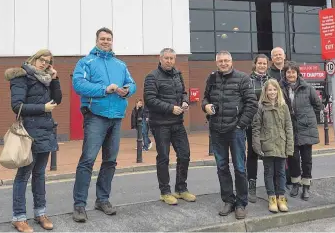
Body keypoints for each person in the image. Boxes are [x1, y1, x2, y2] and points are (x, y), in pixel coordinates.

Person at [72, 27, 136, 222]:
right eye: (103, 39)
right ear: (97, 40)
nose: (106, 41)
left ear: (112, 41)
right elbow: (78, 85)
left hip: (116, 117)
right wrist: (104, 89)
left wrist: (127, 90)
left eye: (109, 39)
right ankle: (79, 205)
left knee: (110, 161)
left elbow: (132, 83)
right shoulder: (86, 62)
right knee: (87, 160)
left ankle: (102, 200)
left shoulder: (120, 64)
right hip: (95, 116)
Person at [5, 49, 62, 233]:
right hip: (28, 134)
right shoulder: (21, 77)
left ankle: (40, 213)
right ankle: (19, 217)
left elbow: (57, 100)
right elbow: (17, 106)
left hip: (45, 131)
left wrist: (55, 79)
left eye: (48, 61)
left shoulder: (46, 78)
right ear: (34, 58)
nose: (44, 63)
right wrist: (42, 107)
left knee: (40, 175)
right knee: (23, 175)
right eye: (41, 59)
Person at [202, 51, 257, 220]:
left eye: (226, 60)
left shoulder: (243, 78)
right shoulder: (211, 79)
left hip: (236, 131)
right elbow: (205, 98)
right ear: (216, 62)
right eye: (220, 61)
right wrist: (206, 106)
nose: (223, 63)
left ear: (231, 61)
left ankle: (241, 203)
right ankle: (228, 200)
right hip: (217, 131)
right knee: (222, 167)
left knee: (240, 168)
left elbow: (252, 104)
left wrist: (241, 125)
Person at [144, 48, 195, 206]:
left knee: (185, 154)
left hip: (177, 123)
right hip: (160, 125)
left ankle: (181, 189)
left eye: (172, 58)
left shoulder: (178, 74)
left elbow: (183, 93)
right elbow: (150, 99)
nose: (169, 61)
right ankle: (165, 192)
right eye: (166, 58)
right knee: (164, 157)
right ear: (160, 59)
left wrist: (185, 101)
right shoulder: (152, 77)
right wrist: (171, 108)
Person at [280, 61, 322, 200]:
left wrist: (308, 118)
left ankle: (306, 186)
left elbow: (318, 105)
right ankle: (296, 184)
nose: (291, 74)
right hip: (290, 128)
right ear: (285, 73)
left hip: (305, 128)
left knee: (306, 159)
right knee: (293, 158)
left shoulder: (307, 87)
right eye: (288, 72)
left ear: (298, 73)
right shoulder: (280, 88)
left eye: (293, 72)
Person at [252, 79, 294, 213]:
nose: (272, 92)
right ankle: (271, 198)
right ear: (265, 91)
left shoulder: (284, 106)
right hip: (267, 145)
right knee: (269, 173)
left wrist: (289, 147)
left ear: (278, 91)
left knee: (281, 173)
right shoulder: (261, 107)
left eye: (274, 89)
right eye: (269, 90)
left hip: (281, 144)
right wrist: (257, 145)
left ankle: (281, 197)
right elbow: (256, 127)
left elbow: (288, 127)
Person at [247, 54, 270, 203]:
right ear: (255, 64)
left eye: (264, 63)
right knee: (253, 153)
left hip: (269, 123)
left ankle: (271, 188)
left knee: (269, 153)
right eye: (259, 63)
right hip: (252, 123)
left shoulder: (272, 81)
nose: (262, 66)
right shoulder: (247, 81)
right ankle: (252, 184)